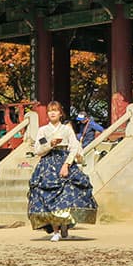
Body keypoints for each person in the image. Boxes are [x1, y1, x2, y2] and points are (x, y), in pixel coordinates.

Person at [28, 101, 98, 242]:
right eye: (50, 111)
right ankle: (55, 230)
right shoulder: (43, 131)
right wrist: (50, 144)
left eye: (55, 110)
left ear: (61, 113)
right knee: (49, 196)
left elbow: (73, 147)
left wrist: (67, 164)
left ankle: (65, 223)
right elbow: (38, 150)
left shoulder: (66, 129)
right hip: (47, 164)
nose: (52, 113)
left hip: (64, 160)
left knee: (67, 195)